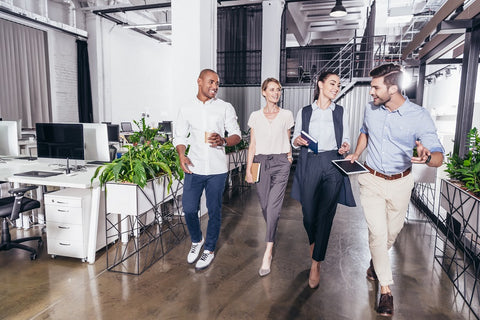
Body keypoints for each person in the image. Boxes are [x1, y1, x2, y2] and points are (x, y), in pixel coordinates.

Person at [346, 63, 444, 316]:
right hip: (371, 179)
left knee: (391, 234)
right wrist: (357, 152)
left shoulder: (418, 115)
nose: (371, 93)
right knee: (378, 234)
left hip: (401, 182)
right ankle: (386, 291)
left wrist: (427, 156)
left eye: (376, 87)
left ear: (394, 87)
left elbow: (438, 156)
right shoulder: (371, 109)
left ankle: (374, 263)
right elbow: (365, 132)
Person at [291, 71, 356, 289]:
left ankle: (316, 263)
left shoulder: (340, 112)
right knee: (309, 215)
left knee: (326, 214)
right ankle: (314, 245)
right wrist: (297, 140)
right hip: (310, 162)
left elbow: (346, 137)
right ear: (320, 84)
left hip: (333, 163)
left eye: (338, 85)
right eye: (332, 83)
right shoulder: (305, 111)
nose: (336, 88)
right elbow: (294, 139)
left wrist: (346, 145)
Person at [173, 69, 241, 270]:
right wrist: (181, 154)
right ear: (199, 81)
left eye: (217, 83)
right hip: (194, 166)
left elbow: (236, 135)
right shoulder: (186, 108)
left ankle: (209, 249)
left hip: (217, 170)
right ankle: (197, 240)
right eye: (211, 82)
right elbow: (179, 136)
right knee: (189, 209)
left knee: (214, 210)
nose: (215, 87)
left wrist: (224, 140)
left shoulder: (224, 107)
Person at [245, 78, 294, 277]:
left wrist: (289, 156)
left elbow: (288, 137)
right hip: (260, 162)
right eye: (272, 90)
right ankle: (272, 228)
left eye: (278, 90)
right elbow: (252, 144)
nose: (276, 93)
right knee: (266, 206)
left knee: (273, 206)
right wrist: (248, 169)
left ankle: (268, 252)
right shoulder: (255, 116)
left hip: (281, 162)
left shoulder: (286, 115)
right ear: (264, 92)